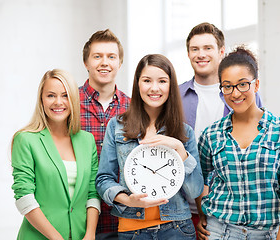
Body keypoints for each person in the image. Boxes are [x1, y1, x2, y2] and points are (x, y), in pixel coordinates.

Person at [196, 47, 280, 240]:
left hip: (266, 234)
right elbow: (200, 179)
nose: (235, 93)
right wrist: (203, 214)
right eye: (227, 86)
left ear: (256, 85)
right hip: (219, 231)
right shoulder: (211, 134)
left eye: (242, 84)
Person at [96, 54, 204, 240]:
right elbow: (103, 179)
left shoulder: (184, 132)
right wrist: (127, 200)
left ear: (170, 85)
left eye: (162, 81)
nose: (154, 88)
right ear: (138, 84)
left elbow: (195, 191)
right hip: (132, 230)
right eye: (147, 80)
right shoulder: (117, 126)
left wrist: (180, 149)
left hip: (177, 229)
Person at [179, 22, 263, 234]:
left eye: (208, 48)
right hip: (182, 208)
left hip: (232, 209)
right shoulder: (175, 96)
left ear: (221, 52)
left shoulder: (242, 95)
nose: (201, 54)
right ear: (188, 54)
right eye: (194, 49)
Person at [11, 69, 101, 240]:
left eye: (65, 95)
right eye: (51, 95)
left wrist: (90, 234)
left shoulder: (87, 140)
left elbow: (92, 193)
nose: (58, 102)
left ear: (74, 99)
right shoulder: (26, 139)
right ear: (41, 100)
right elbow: (24, 197)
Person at [79, 29, 131, 239]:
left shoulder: (134, 109)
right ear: (86, 62)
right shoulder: (68, 105)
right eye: (97, 56)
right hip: (79, 217)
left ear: (119, 63)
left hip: (123, 218)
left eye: (111, 57)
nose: (104, 62)